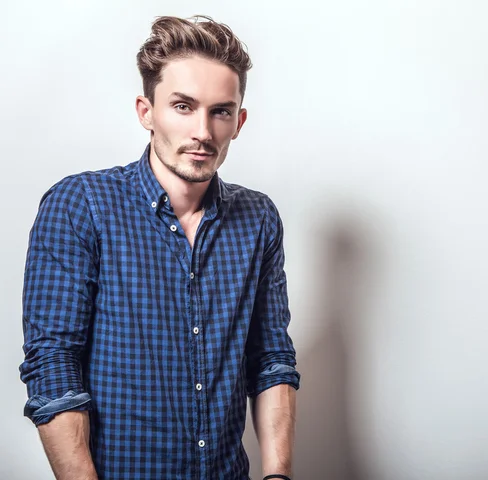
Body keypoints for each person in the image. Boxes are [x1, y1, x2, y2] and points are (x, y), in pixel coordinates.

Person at [19, 15, 300, 480]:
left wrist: (277, 475)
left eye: (221, 111)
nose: (204, 132)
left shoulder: (259, 218)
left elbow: (271, 358)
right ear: (146, 111)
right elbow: (53, 366)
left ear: (239, 120)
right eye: (183, 106)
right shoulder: (81, 205)